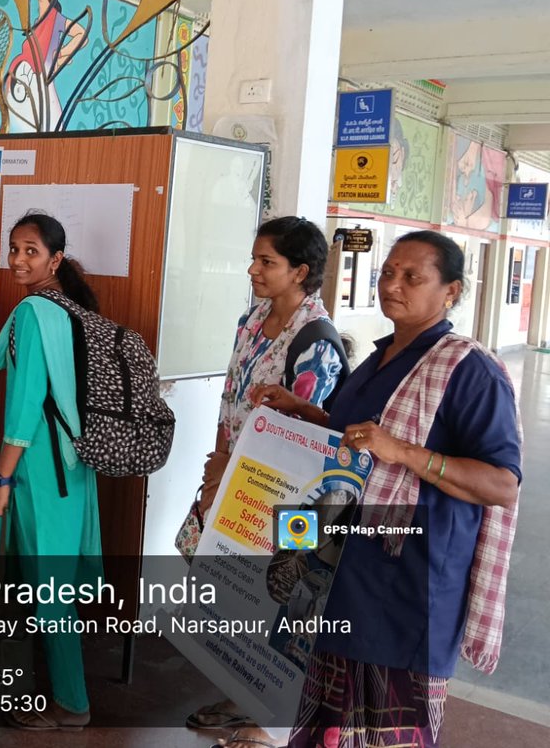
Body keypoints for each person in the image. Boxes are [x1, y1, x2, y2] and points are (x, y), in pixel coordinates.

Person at [251, 231, 521, 748]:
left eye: (412, 277)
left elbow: (502, 484)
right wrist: (305, 412)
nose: (393, 285)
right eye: (387, 273)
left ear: (451, 291)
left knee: (388, 730)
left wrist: (404, 452)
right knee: (323, 721)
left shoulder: (468, 370)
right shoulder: (378, 360)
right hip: (338, 576)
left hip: (407, 587)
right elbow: (353, 445)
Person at [186, 216, 347, 746]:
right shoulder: (252, 319)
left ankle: (269, 711)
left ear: (300, 271)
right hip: (235, 477)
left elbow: (310, 438)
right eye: (254, 259)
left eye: (266, 262)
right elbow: (232, 393)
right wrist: (217, 462)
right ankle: (240, 692)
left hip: (285, 495)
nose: (253, 270)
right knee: (225, 580)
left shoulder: (315, 340)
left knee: (277, 591)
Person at [0, 213, 102, 730]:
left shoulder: (35, 311)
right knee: (53, 588)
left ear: (55, 259)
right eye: (14, 249)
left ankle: (72, 704)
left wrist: (2, 478)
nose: (18, 259)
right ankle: (62, 694)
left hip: (41, 469)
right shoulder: (70, 308)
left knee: (49, 591)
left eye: (31, 250)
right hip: (70, 468)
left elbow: (26, 404)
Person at [6, 0, 87, 132]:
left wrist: (62, 53)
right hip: (23, 81)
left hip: (39, 81)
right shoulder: (37, 22)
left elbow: (82, 35)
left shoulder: (56, 19)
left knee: (44, 128)